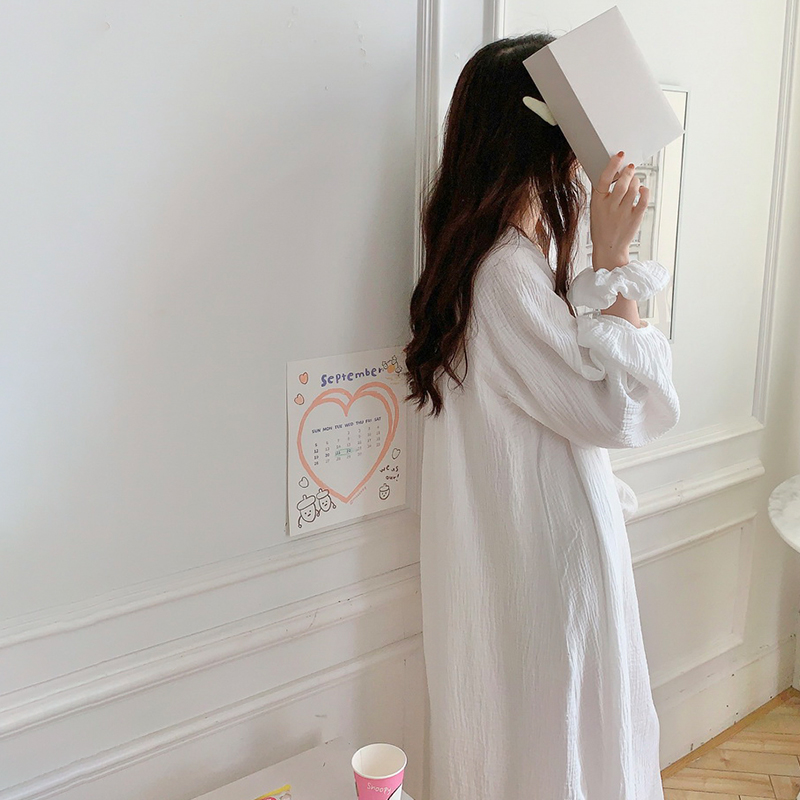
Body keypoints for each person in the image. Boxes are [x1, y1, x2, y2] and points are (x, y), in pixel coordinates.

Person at [403, 33, 680, 800]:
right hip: (554, 569)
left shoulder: (495, 263)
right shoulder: (507, 278)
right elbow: (623, 412)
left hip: (537, 560)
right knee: (567, 755)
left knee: (550, 749)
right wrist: (614, 260)